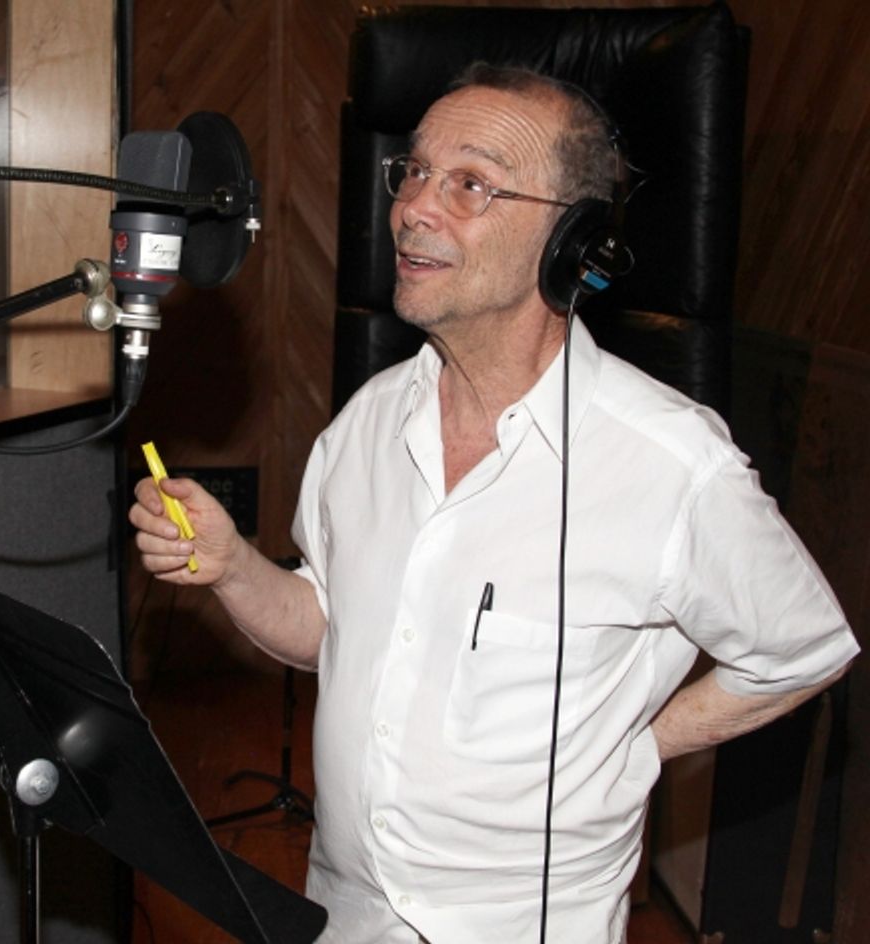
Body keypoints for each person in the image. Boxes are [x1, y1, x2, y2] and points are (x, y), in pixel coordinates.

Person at [129, 63, 858, 944]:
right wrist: (235, 568)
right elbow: (334, 627)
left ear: (572, 243)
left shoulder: (671, 464)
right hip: (344, 916)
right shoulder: (366, 425)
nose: (414, 208)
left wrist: (633, 747)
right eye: (416, 172)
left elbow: (803, 647)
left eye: (470, 182)